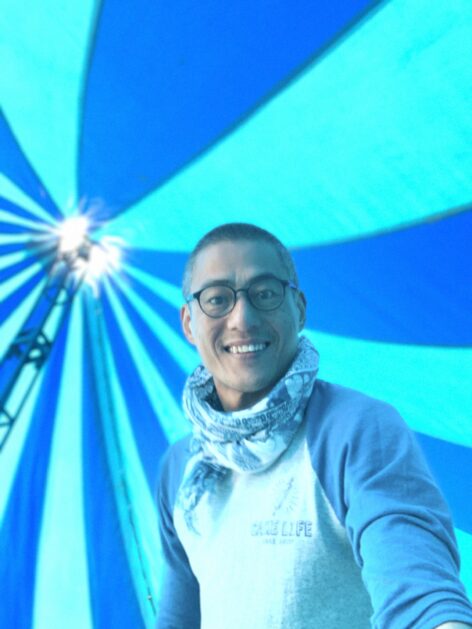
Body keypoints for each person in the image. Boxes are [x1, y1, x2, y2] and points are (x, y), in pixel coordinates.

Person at [156, 222, 472, 629]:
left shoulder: (354, 430)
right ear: (188, 323)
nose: (242, 318)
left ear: (300, 309)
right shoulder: (180, 466)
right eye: (217, 299)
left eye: (265, 293)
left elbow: (416, 589)